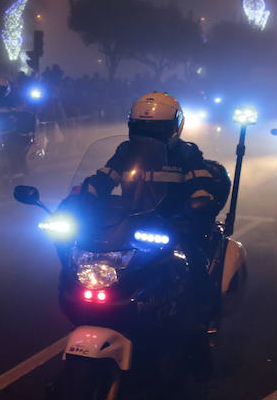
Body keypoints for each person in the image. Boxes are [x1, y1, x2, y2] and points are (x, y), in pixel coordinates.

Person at [79, 92, 229, 304]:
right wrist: (86, 194)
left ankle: (203, 311)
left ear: (174, 128)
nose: (148, 135)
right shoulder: (125, 151)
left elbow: (200, 184)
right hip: (130, 218)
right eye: (141, 128)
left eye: (157, 130)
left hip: (172, 220)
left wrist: (200, 202)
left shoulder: (186, 153)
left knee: (193, 257)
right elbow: (105, 177)